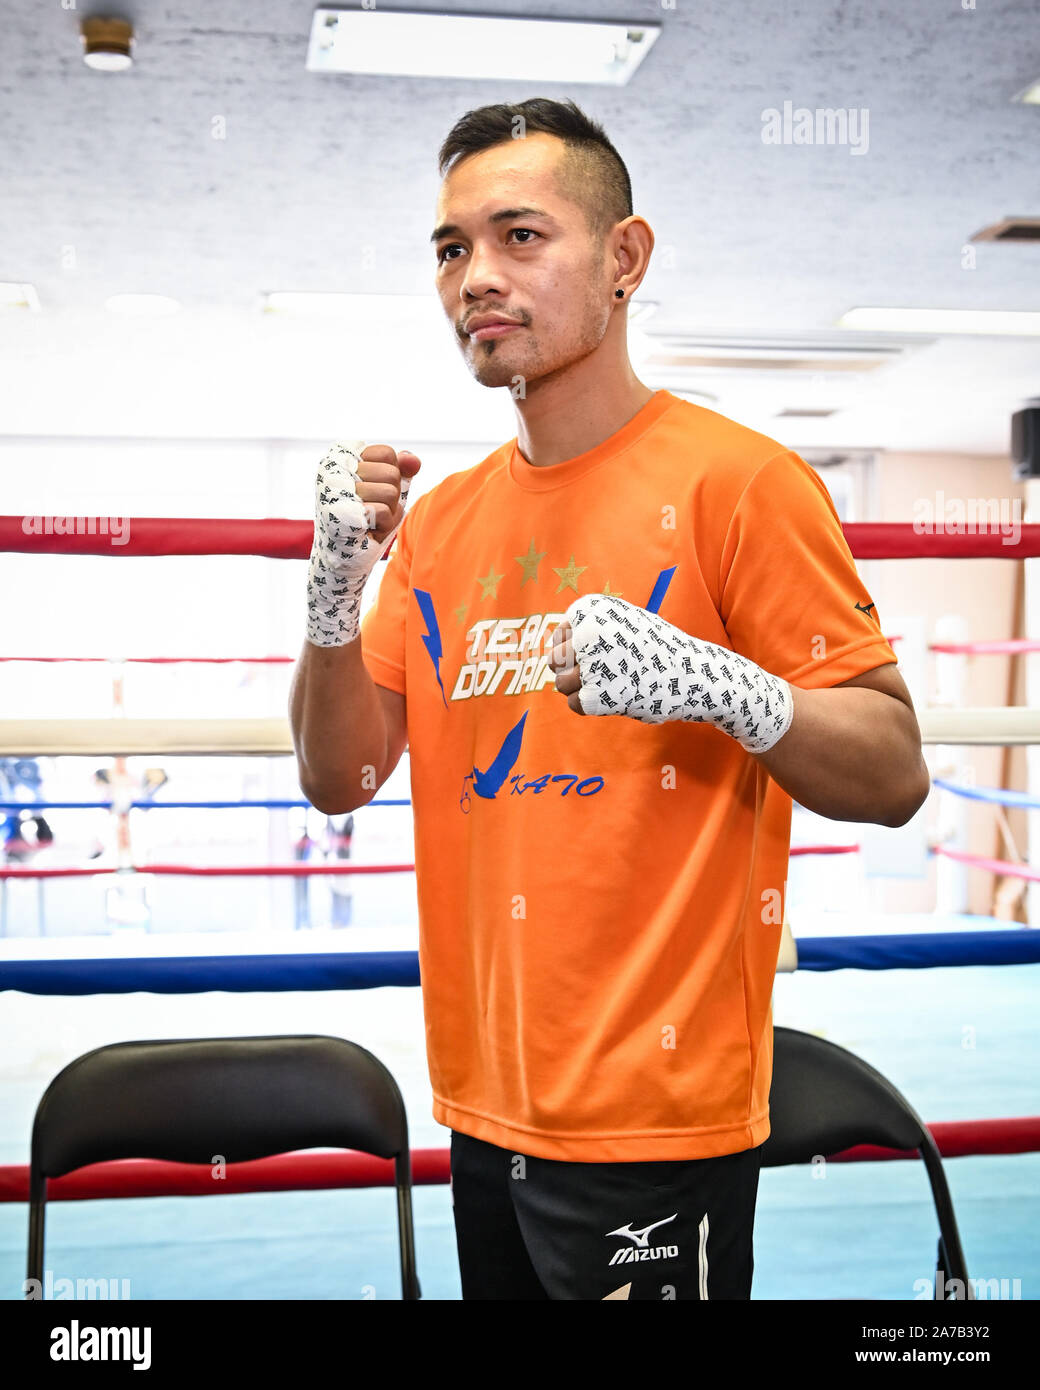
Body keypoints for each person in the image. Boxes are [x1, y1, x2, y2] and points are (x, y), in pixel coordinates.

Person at [288, 98, 930, 1301]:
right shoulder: (442, 525)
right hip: (483, 1099)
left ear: (624, 259)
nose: (476, 276)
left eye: (519, 236)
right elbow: (339, 778)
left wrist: (721, 686)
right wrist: (333, 591)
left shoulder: (740, 483)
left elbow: (893, 772)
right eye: (450, 248)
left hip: (654, 1123)